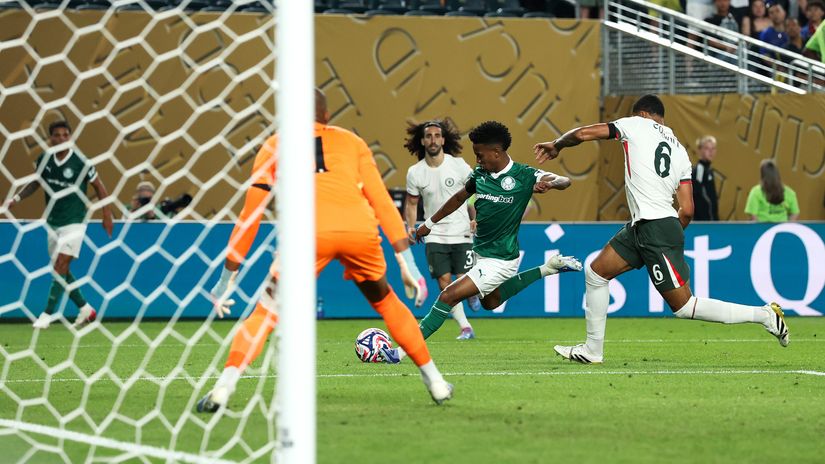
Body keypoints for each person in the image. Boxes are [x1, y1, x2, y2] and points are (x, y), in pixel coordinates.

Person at [197, 88, 452, 412]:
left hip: (307, 232)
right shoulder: (351, 142)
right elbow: (382, 202)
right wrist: (408, 263)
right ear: (327, 116)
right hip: (358, 228)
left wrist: (226, 277)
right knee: (386, 300)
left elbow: (251, 216)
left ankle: (223, 388)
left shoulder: (275, 145)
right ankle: (436, 382)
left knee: (265, 312)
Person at [533, 95, 789, 364]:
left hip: (653, 227)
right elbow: (688, 209)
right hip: (650, 225)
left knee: (684, 306)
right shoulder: (679, 150)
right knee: (596, 272)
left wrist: (557, 144)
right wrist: (671, 231)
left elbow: (585, 133)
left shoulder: (634, 124)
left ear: (641, 113)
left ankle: (765, 315)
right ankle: (592, 350)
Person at [382, 121, 583, 364]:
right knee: (491, 301)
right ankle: (548, 268)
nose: (477, 160)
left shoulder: (524, 175)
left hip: (501, 260)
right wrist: (429, 224)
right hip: (481, 254)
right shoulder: (479, 176)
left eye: (480, 155)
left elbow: (564, 180)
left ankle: (400, 352)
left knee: (448, 295)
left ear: (496, 152)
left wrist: (551, 183)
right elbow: (457, 198)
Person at [4, 121, 113, 329]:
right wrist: (15, 199)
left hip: (76, 221)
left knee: (61, 264)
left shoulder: (81, 162)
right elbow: (37, 182)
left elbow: (99, 187)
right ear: (51, 138)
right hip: (53, 221)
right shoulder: (44, 160)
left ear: (70, 138)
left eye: (65, 135)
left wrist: (106, 214)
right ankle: (85, 308)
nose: (62, 138)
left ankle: (46, 314)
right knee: (60, 269)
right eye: (57, 135)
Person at [404, 119, 479, 340]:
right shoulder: (415, 172)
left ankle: (473, 294)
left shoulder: (458, 165)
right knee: (444, 283)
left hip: (461, 230)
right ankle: (465, 327)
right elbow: (411, 203)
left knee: (463, 279)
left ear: (443, 140)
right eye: (429, 136)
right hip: (433, 233)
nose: (433, 140)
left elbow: (473, 193)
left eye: (437, 136)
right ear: (422, 141)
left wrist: (477, 218)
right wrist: (410, 226)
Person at [691, 135, 719, 221]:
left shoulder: (709, 170)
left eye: (713, 148)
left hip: (711, 222)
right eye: (707, 148)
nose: (710, 151)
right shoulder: (700, 169)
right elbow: (698, 196)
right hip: (704, 223)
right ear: (700, 150)